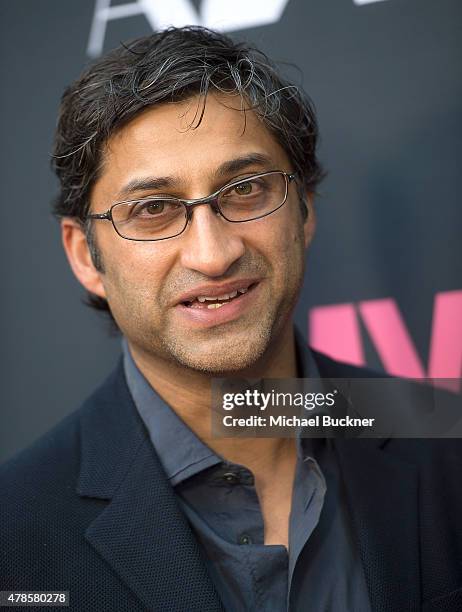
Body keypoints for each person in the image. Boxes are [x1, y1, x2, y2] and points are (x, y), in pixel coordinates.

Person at [1, 26, 461, 612]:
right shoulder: (14, 533)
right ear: (85, 256)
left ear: (304, 211)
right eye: (153, 209)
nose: (212, 254)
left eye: (244, 189)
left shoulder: (448, 445)